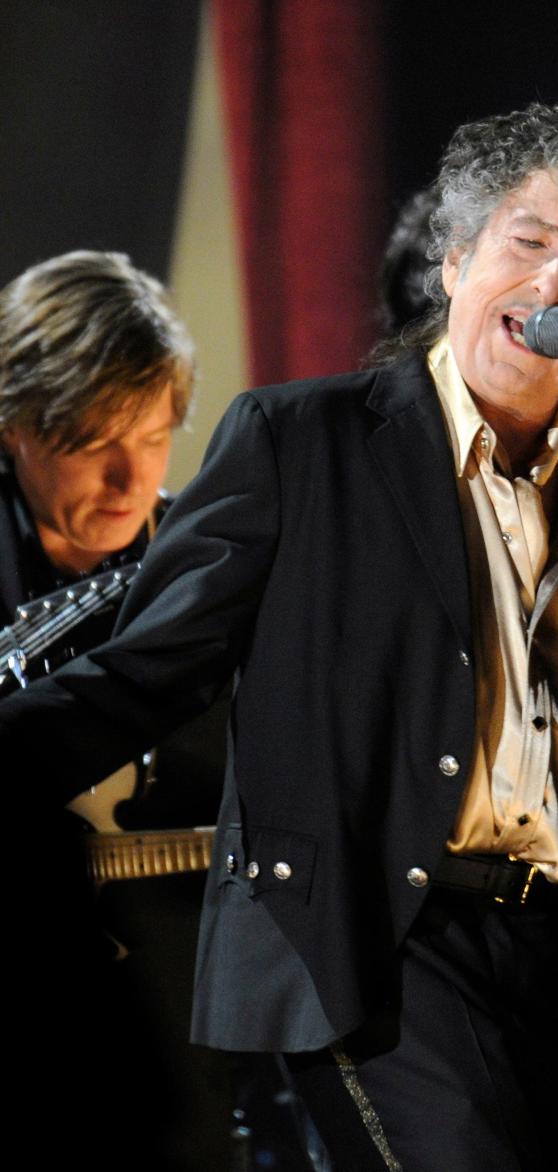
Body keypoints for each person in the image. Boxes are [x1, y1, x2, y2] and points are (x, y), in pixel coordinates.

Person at [0, 105, 558, 1170]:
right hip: (382, 948)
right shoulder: (302, 442)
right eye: (528, 243)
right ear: (454, 262)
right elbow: (143, 670)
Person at [0, 250, 235, 1170]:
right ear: (14, 425)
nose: (127, 479)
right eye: (91, 439)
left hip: (174, 1014)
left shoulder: (211, 569)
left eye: (151, 436)